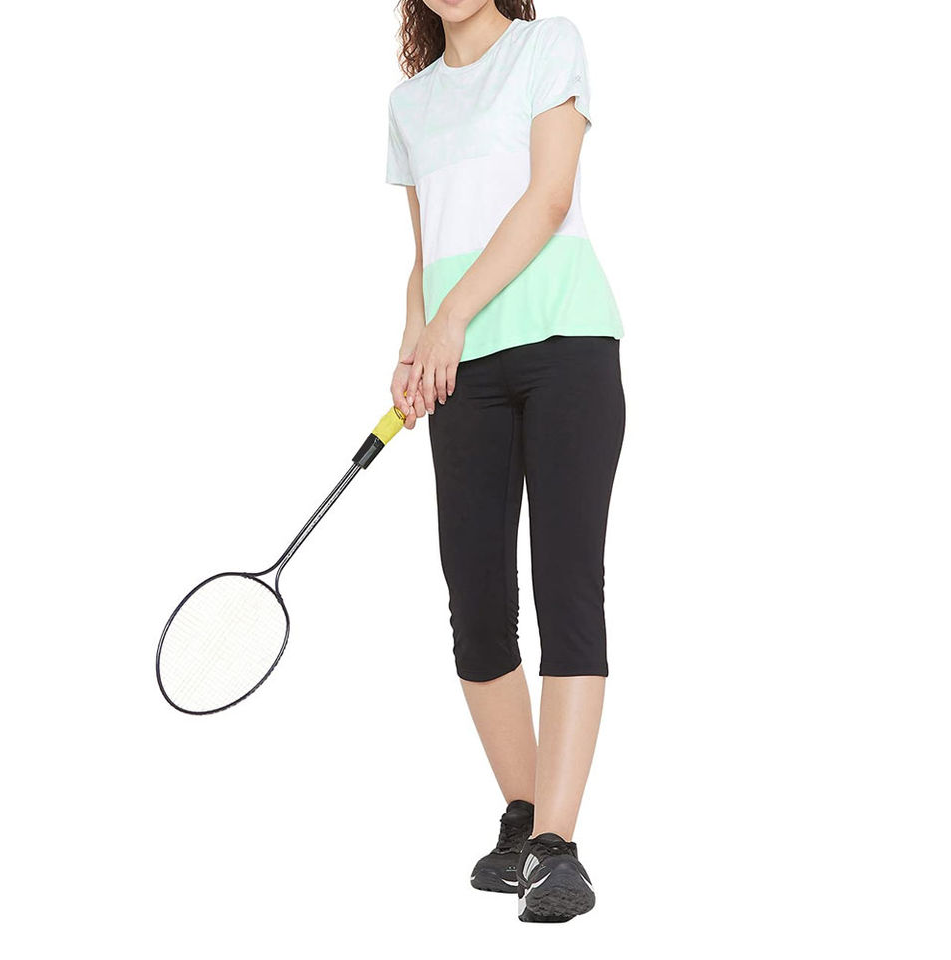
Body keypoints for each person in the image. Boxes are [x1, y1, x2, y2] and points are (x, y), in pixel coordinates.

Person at [386, 0, 625, 923]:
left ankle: (559, 849)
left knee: (567, 589)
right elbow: (427, 252)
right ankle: (524, 818)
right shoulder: (409, 103)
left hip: (566, 347)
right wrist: (413, 343)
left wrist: (450, 320)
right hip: (460, 373)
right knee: (477, 604)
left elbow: (549, 197)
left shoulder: (547, 46)